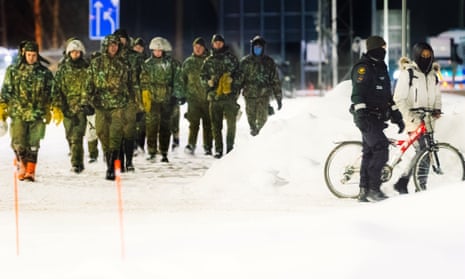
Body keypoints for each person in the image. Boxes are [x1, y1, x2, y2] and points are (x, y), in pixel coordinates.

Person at [350, 35, 405, 202]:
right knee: (381, 148)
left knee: (369, 153)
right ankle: (374, 189)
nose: (384, 50)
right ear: (374, 48)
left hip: (378, 117)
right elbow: (357, 94)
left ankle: (363, 191)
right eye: (382, 47)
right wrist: (361, 116)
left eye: (385, 47)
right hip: (367, 117)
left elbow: (387, 96)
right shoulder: (363, 68)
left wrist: (397, 116)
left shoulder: (381, 67)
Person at [0, 41, 54, 182]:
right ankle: (21, 164)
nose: (31, 58)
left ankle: (30, 171)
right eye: (29, 55)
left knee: (34, 143)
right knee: (19, 143)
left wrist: (52, 108)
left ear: (37, 55)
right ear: (24, 54)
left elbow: (51, 93)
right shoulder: (13, 71)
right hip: (18, 113)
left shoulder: (45, 73)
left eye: (34, 55)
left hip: (37, 114)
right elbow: (5, 91)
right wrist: (2, 107)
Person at [392, 42, 442, 194]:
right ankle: (417, 185)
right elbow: (399, 98)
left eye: (428, 55)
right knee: (423, 150)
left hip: (428, 120)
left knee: (425, 152)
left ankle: (407, 181)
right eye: (423, 55)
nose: (426, 58)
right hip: (413, 120)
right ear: (417, 55)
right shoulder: (409, 73)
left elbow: (437, 95)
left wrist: (437, 109)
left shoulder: (433, 75)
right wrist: (410, 116)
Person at [86, 34, 131, 180]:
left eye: (116, 45)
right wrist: (87, 101)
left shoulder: (123, 64)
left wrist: (133, 103)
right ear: (105, 46)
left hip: (118, 105)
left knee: (116, 134)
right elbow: (89, 84)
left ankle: (111, 167)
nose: (113, 47)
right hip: (100, 105)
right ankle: (110, 157)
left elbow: (129, 85)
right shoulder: (96, 63)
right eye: (111, 45)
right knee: (101, 132)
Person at [52, 38, 92, 173]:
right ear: (69, 53)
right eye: (73, 52)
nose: (76, 54)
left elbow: (92, 86)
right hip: (67, 108)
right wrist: (57, 105)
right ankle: (75, 154)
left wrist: (88, 102)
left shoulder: (87, 68)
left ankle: (77, 163)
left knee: (77, 136)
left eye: (78, 52)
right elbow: (56, 88)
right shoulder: (63, 69)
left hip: (81, 107)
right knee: (69, 135)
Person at [140, 36, 182, 163]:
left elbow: (178, 80)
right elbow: (143, 82)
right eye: (155, 50)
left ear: (163, 50)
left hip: (167, 99)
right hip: (152, 99)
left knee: (165, 126)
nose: (157, 52)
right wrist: (144, 98)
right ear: (152, 50)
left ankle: (164, 151)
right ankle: (152, 151)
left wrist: (176, 95)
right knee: (151, 126)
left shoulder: (172, 64)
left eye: (160, 50)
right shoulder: (147, 64)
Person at [200, 34, 240, 158]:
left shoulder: (232, 59)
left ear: (223, 44)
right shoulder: (208, 61)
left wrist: (232, 83)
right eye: (215, 42)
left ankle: (230, 148)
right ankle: (218, 149)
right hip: (214, 98)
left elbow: (240, 75)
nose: (218, 44)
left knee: (231, 125)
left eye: (220, 42)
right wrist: (208, 82)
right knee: (216, 126)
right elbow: (202, 76)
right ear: (212, 44)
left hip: (229, 98)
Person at [237, 35, 282, 136]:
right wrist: (234, 97)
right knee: (251, 120)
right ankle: (254, 137)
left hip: (264, 96)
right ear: (252, 47)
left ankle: (260, 137)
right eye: (255, 47)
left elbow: (275, 81)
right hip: (249, 96)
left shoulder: (269, 62)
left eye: (260, 47)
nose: (257, 49)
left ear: (263, 48)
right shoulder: (245, 62)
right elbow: (238, 81)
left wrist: (278, 97)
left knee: (262, 120)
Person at [113, 29, 144, 172]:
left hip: (131, 99)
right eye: (118, 38)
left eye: (123, 38)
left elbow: (142, 78)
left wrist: (141, 103)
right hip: (115, 100)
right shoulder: (110, 57)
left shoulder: (135, 57)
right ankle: (119, 160)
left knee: (129, 132)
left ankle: (130, 161)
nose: (121, 41)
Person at [179, 37, 212, 155]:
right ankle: (191, 144)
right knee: (193, 123)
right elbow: (182, 80)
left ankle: (208, 146)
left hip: (208, 98)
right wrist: (181, 95)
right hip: (193, 99)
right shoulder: (188, 62)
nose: (198, 49)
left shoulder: (210, 61)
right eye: (196, 47)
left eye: (200, 47)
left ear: (204, 48)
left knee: (208, 124)